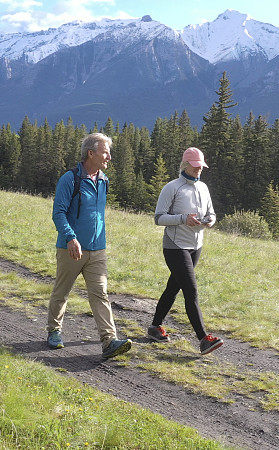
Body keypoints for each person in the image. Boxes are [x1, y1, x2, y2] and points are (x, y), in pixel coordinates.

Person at [47, 132, 132, 359]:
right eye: (105, 152)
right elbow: (59, 213)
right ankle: (54, 330)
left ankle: (109, 341)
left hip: (98, 249)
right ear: (91, 153)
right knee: (62, 291)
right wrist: (70, 238)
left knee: (100, 294)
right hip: (71, 248)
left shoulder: (103, 180)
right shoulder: (70, 179)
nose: (109, 157)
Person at [148, 147, 223, 355]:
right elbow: (158, 218)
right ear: (185, 165)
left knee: (173, 288)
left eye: (201, 166)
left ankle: (155, 326)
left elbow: (212, 213)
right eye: (196, 166)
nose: (199, 169)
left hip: (196, 246)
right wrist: (183, 219)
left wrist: (210, 221)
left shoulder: (204, 188)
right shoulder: (172, 188)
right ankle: (203, 339)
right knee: (191, 291)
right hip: (175, 246)